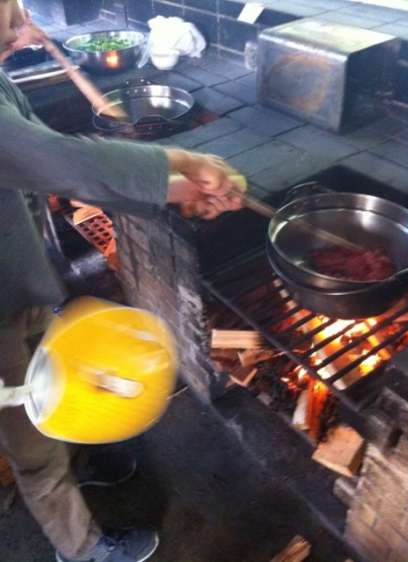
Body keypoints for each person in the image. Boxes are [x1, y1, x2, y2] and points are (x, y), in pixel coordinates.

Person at [0, 2, 243, 561]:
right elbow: (57, 160)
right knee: (28, 435)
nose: (21, 30)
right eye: (8, 19)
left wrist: (178, 176)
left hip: (17, 273)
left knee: (51, 366)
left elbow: (48, 159)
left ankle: (77, 446)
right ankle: (81, 548)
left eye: (17, 12)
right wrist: (179, 171)